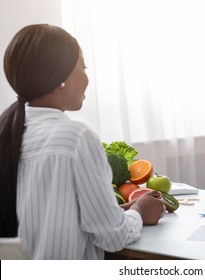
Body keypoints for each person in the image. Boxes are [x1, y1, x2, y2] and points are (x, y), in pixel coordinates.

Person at [0, 24, 165, 259]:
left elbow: (45, 221)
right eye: (83, 66)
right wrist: (139, 211)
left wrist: (115, 213)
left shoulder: (9, 133)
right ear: (60, 76)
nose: (87, 77)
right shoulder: (76, 138)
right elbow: (113, 238)